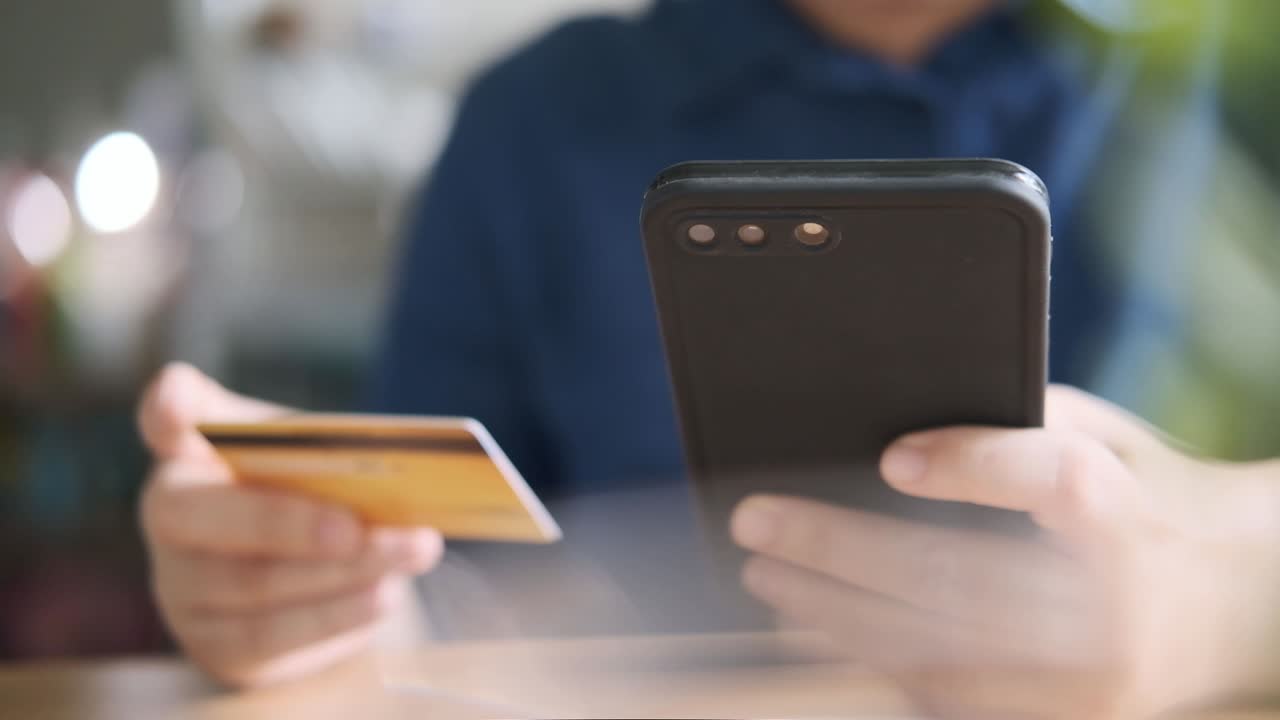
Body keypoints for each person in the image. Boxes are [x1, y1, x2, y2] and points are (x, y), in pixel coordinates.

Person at [138, 0, 1280, 715]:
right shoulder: (535, 123)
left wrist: (1220, 608)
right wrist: (315, 591)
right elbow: (438, 588)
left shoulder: (1225, 80)